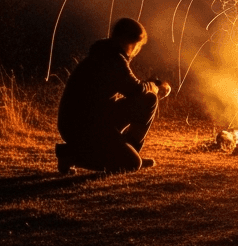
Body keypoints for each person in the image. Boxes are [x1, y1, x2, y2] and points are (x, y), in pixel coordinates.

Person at [55, 17, 170, 174]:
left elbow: (135, 89)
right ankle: (71, 155)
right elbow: (135, 89)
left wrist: (152, 88)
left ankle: (129, 152)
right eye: (138, 45)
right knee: (131, 164)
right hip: (82, 126)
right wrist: (153, 87)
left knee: (148, 99)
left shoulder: (107, 53)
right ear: (130, 41)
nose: (137, 50)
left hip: (95, 118)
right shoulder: (112, 59)